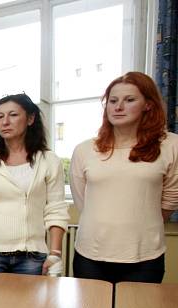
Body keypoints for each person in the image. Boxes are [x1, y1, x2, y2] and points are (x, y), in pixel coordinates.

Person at [70, 72, 178, 283]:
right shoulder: (84, 150)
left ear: (148, 104)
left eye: (129, 100)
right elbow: (82, 200)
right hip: (90, 255)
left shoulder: (171, 145)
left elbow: (171, 197)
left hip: (145, 257)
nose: (118, 107)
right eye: (113, 101)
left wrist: (140, 225)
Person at [0, 93, 68, 275]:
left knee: (31, 305)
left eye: (13, 115)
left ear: (30, 118)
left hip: (32, 257)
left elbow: (56, 209)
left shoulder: (49, 161)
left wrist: (55, 254)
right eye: (0, 116)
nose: (5, 122)